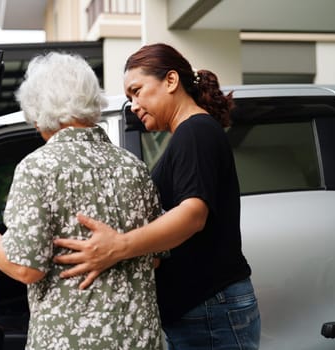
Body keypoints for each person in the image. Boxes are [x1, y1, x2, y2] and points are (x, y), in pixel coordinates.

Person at [53, 43, 261, 350]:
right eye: (129, 98)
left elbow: (193, 214)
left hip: (209, 308)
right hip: (201, 309)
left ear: (171, 81)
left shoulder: (196, 131)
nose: (134, 105)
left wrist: (119, 246)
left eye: (137, 91)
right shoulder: (188, 133)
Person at [0, 51, 163, 349]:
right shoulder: (134, 167)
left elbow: (25, 268)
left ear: (38, 110)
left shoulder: (38, 168)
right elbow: (153, 258)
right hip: (139, 339)